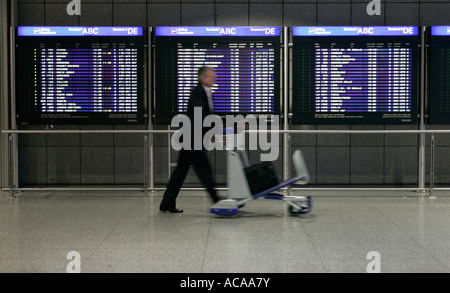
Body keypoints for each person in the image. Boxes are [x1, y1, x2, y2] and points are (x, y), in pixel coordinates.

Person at [159, 66, 221, 213]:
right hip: (194, 140)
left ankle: (166, 203)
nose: (215, 78)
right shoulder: (198, 93)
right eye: (212, 76)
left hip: (192, 139)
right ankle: (217, 201)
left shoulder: (203, 92)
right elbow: (201, 115)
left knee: (180, 172)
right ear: (203, 78)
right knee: (204, 171)